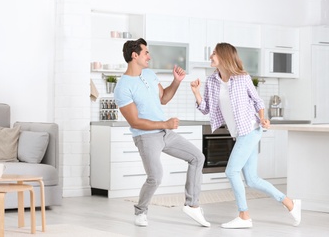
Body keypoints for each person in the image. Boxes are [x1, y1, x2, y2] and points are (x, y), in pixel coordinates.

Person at [190, 42, 301, 229]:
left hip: (250, 129)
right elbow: (206, 109)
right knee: (252, 179)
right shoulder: (211, 81)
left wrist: (263, 119)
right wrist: (196, 93)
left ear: (224, 56)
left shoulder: (242, 78)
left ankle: (244, 215)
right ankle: (290, 203)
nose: (211, 57)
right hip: (238, 133)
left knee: (231, 171)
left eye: (214, 54)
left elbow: (258, 101)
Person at [114, 38, 210, 228]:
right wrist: (165, 122)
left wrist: (176, 81)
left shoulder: (149, 74)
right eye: (146, 53)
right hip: (146, 136)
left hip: (165, 132)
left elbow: (164, 98)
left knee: (197, 157)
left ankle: (192, 204)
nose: (149, 56)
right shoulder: (123, 87)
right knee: (155, 177)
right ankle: (141, 211)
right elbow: (135, 122)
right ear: (135, 55)